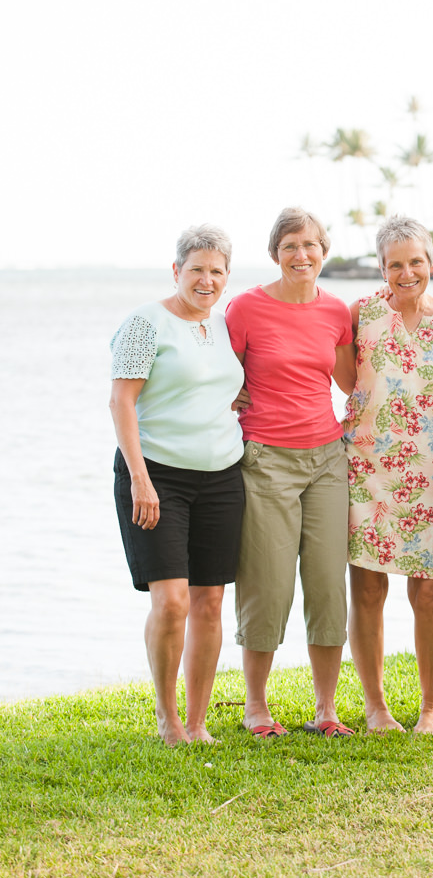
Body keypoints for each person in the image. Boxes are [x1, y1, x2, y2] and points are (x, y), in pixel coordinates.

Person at [109, 225, 245, 746]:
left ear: (227, 277)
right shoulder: (146, 323)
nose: (206, 280)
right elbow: (122, 402)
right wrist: (141, 479)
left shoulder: (222, 328)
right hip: (156, 475)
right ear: (176, 271)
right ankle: (167, 717)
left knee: (209, 600)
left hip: (221, 478)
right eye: (197, 269)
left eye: (216, 271)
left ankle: (197, 720)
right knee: (171, 602)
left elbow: (222, 386)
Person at [225, 208, 357, 739]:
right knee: (268, 585)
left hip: (327, 460)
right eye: (290, 246)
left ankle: (326, 710)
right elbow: (218, 370)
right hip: (266, 462)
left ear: (325, 250)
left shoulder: (336, 312)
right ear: (275, 253)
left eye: (311, 245)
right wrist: (230, 396)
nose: (301, 255)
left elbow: (351, 381)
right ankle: (256, 706)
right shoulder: (246, 308)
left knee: (327, 586)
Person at [343, 216, 433, 733]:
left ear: (431, 263)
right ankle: (376, 708)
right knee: (367, 590)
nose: (407, 272)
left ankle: (430, 708)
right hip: (365, 469)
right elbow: (337, 376)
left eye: (416, 261)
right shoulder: (360, 315)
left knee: (430, 592)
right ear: (381, 267)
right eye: (396, 263)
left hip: (430, 470)